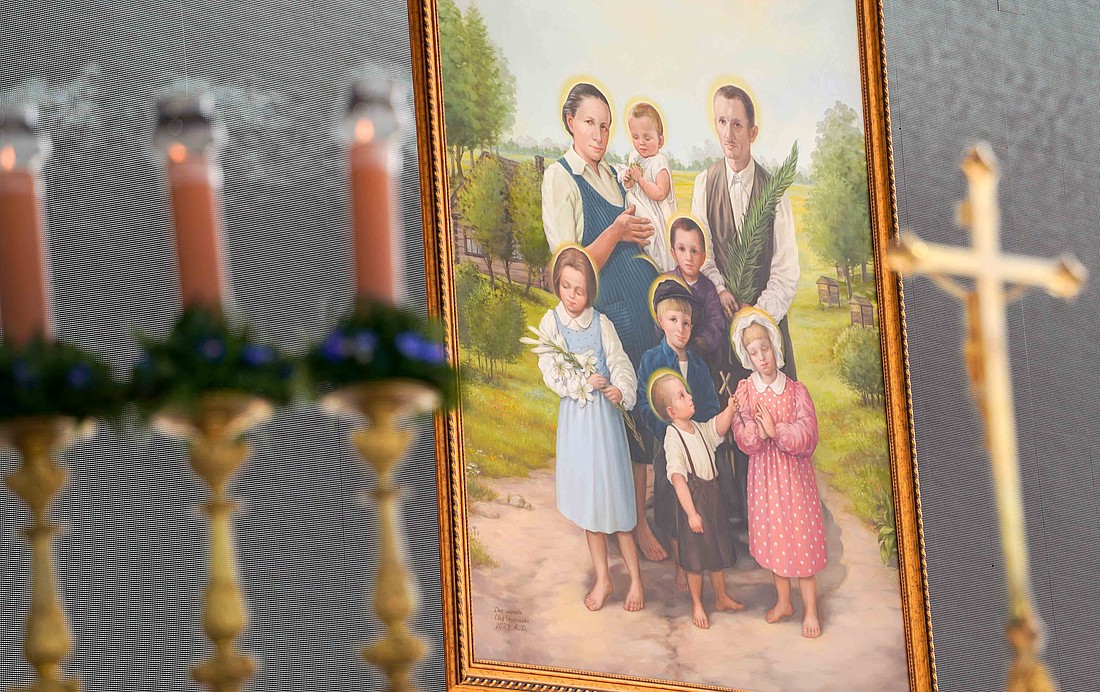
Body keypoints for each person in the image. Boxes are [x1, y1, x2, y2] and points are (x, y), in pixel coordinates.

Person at [543, 82, 664, 561]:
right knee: (618, 425)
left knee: (644, 416)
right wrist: (616, 231)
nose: (599, 132)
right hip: (607, 318)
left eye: (606, 125)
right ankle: (625, 527)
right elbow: (567, 268)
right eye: (590, 122)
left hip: (643, 312)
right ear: (570, 122)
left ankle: (638, 519)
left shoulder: (615, 174)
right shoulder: (561, 178)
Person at [690, 84, 800, 521]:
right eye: (721, 122)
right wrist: (719, 289)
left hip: (765, 330)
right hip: (723, 318)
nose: (729, 133)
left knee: (771, 419)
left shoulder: (775, 190)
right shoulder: (704, 183)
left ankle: (777, 517)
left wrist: (758, 317)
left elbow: (787, 270)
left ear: (752, 132)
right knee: (730, 416)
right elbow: (705, 255)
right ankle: (736, 516)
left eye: (737, 124)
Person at [534, 246, 645, 612]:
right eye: (566, 287)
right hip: (577, 425)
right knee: (589, 506)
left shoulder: (601, 324)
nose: (572, 296)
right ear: (558, 284)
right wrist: (579, 380)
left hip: (604, 424)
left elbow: (620, 362)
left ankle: (636, 581)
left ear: (590, 291)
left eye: (579, 290)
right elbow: (550, 370)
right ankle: (604, 578)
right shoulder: (552, 323)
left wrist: (619, 389)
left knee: (616, 502)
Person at [730, 308, 826, 638]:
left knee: (801, 541)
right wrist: (757, 434)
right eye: (754, 353)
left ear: (775, 346)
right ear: (748, 357)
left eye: (765, 349)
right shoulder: (746, 391)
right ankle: (784, 601)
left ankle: (810, 608)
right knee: (776, 540)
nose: (762, 357)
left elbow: (809, 435)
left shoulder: (796, 390)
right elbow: (742, 436)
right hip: (765, 481)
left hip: (795, 480)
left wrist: (777, 431)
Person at [634, 278, 720, 591]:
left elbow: (710, 403)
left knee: (700, 505)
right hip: (669, 447)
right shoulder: (652, 360)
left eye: (686, 323)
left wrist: (701, 430)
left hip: (697, 448)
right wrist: (668, 431)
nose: (681, 329)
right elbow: (645, 403)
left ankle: (701, 563)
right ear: (660, 321)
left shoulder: (697, 365)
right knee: (671, 503)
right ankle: (680, 564)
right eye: (673, 320)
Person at [650, 372, 743, 629]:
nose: (690, 397)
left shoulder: (698, 428)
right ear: (671, 410)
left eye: (687, 392)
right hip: (693, 500)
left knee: (717, 548)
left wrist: (731, 409)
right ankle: (697, 603)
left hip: (712, 495)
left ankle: (721, 597)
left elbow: (717, 428)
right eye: (682, 396)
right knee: (695, 559)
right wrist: (691, 513)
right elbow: (678, 478)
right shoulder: (673, 436)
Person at [617, 102, 677, 272]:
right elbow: (631, 187)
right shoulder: (634, 156)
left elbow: (660, 193)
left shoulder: (660, 161)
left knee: (654, 244)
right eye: (635, 137)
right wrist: (629, 181)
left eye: (647, 138)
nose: (641, 143)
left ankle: (660, 270)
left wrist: (640, 180)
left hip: (656, 216)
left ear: (661, 140)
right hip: (639, 209)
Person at [667, 216, 726, 371]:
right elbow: (657, 322)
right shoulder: (667, 284)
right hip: (670, 353)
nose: (688, 257)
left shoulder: (708, 288)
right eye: (682, 249)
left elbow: (716, 322)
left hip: (700, 356)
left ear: (703, 257)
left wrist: (703, 341)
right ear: (673, 253)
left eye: (694, 251)